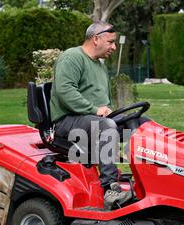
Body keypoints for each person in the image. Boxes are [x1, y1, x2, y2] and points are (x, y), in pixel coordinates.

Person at [50, 21, 133, 210]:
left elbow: (104, 101)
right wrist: (96, 110)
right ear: (96, 39)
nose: (113, 46)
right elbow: (65, 91)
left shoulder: (100, 66)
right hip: (67, 121)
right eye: (111, 42)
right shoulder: (72, 57)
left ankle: (152, 180)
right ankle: (110, 189)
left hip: (90, 119)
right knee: (106, 127)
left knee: (139, 124)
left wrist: (109, 111)